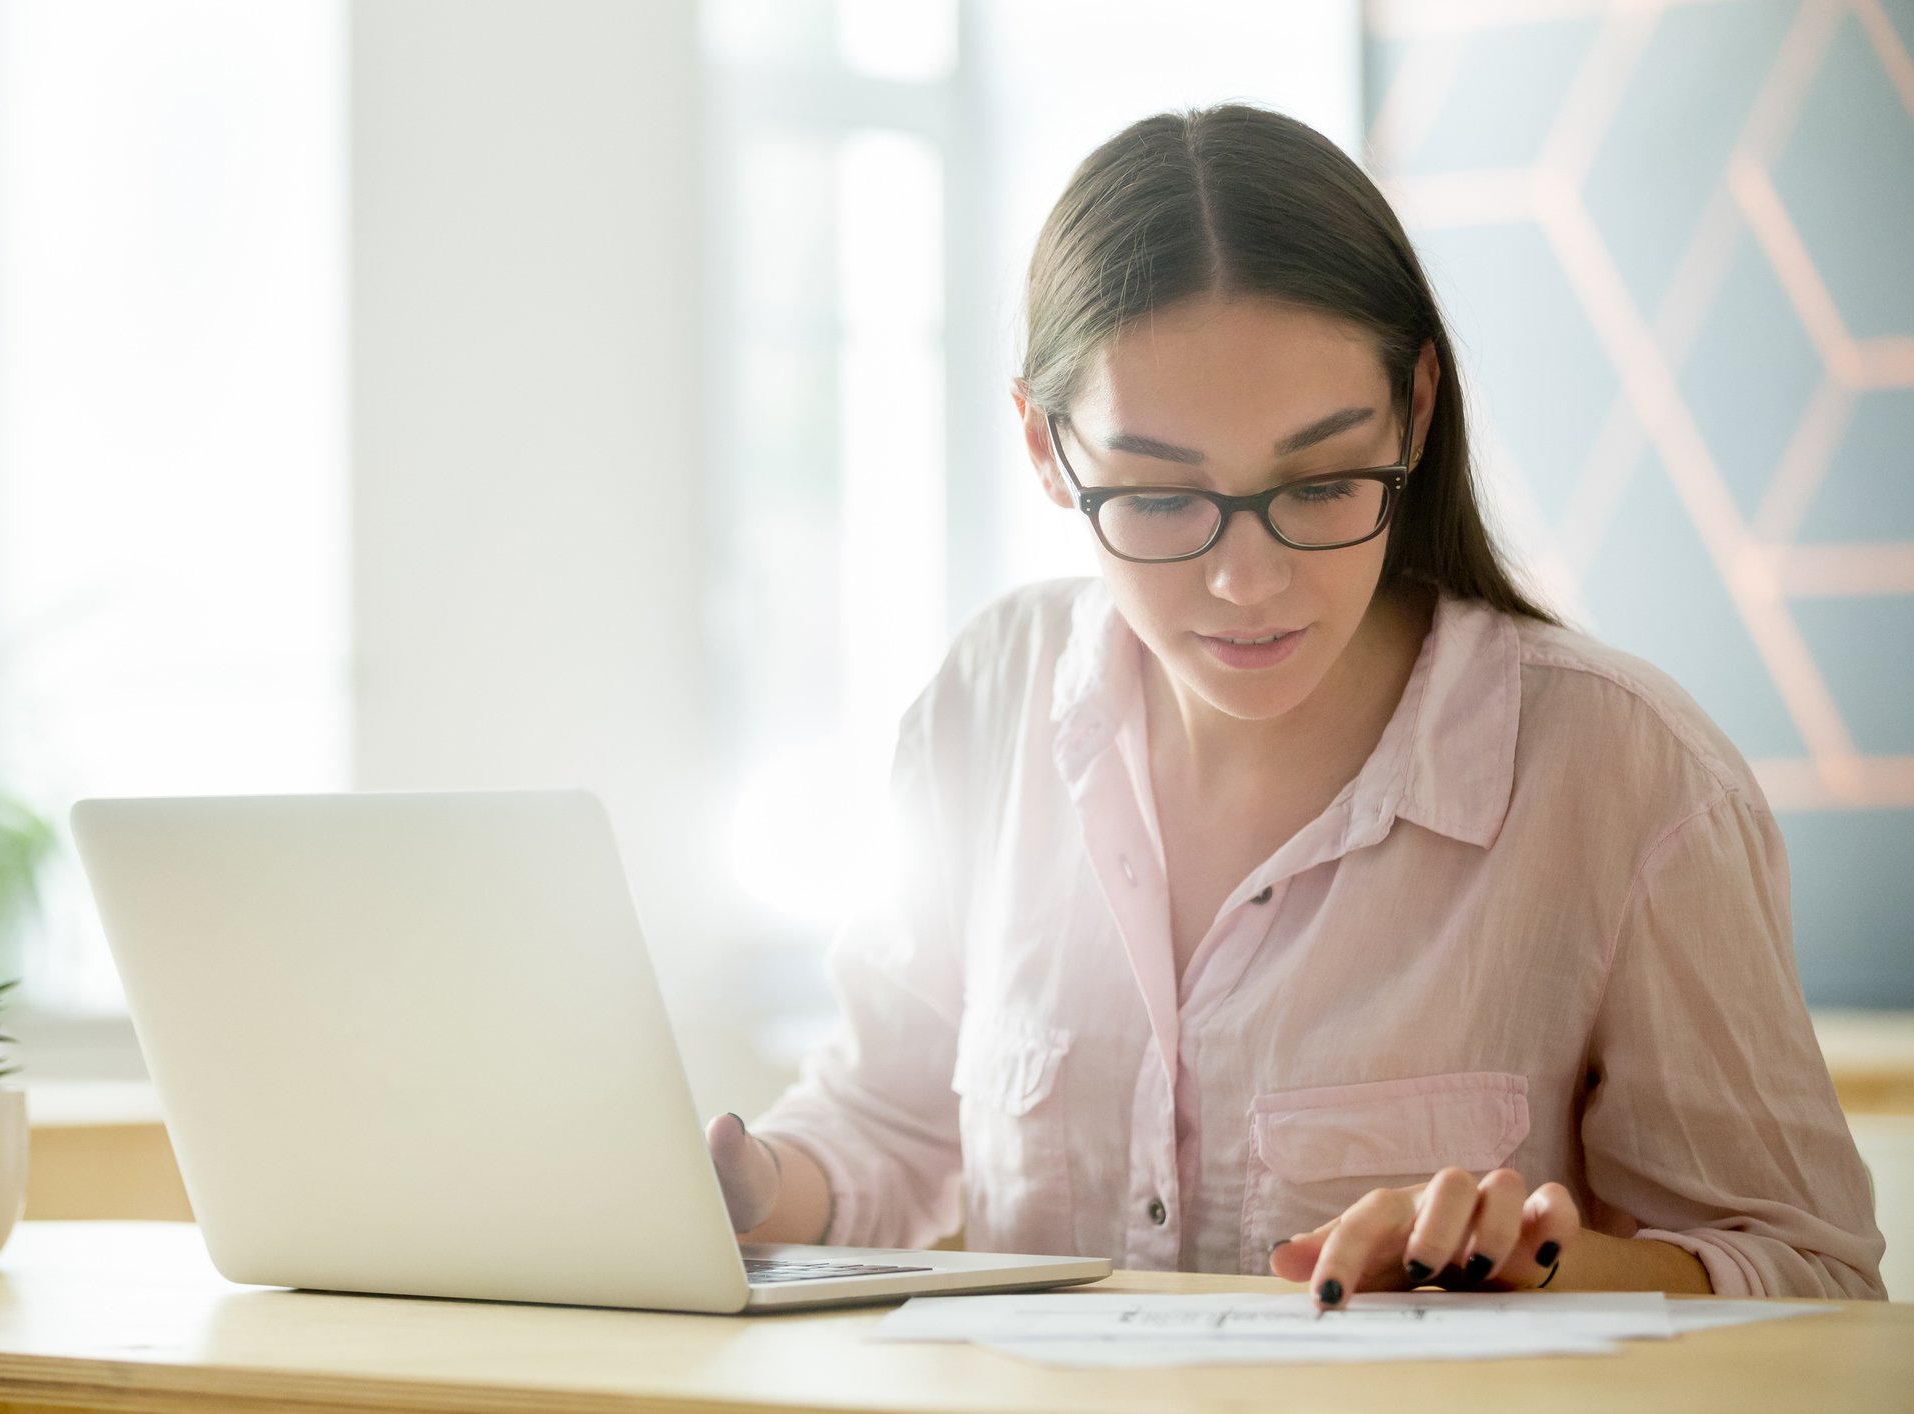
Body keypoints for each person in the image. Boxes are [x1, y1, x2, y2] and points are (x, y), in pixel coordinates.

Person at [704, 103, 1886, 1306]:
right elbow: (884, 1128)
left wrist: (1539, 1263)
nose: (1247, 582)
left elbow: (1815, 1283)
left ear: (1417, 410)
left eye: (1320, 482)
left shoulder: (1633, 778)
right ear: (1046, 449)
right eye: (1162, 499)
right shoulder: (985, 703)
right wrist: (732, 1187)